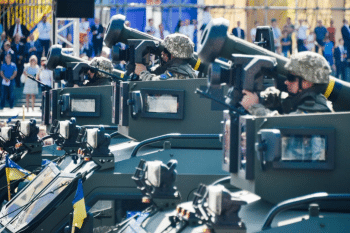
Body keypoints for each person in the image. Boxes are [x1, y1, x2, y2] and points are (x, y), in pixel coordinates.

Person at [241, 51, 332, 116]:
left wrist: (254, 107)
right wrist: (261, 96)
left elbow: (284, 125)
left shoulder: (315, 110)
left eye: (291, 78)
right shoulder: (300, 98)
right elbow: (283, 99)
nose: (286, 81)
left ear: (307, 83)